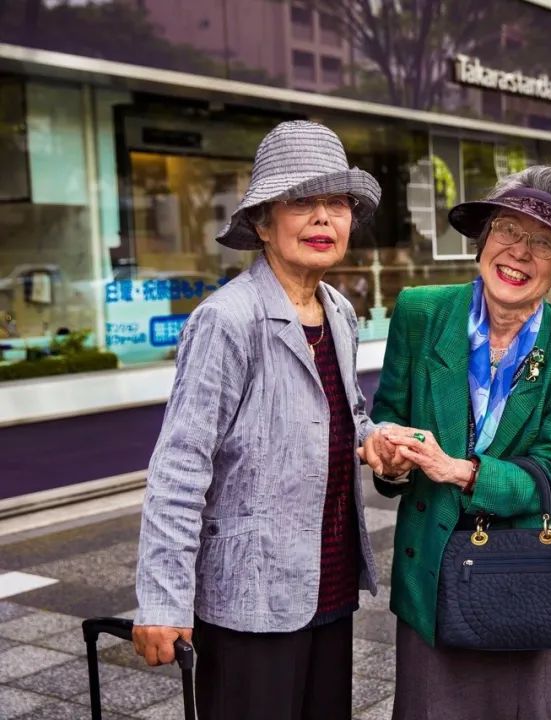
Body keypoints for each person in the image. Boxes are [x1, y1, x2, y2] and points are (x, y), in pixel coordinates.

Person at [133, 120, 392, 719]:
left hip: (328, 584)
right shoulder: (227, 321)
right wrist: (163, 601)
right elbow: (179, 467)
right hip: (248, 594)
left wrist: (375, 438)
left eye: (338, 203)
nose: (324, 218)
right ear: (262, 222)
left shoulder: (339, 311)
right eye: (302, 201)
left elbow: (343, 412)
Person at [361, 166, 551, 720]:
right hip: (435, 574)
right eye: (508, 230)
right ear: (482, 240)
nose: (519, 253)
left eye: (543, 243)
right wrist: (390, 455)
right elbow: (388, 418)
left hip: (528, 578)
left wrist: (463, 471)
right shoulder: (421, 313)